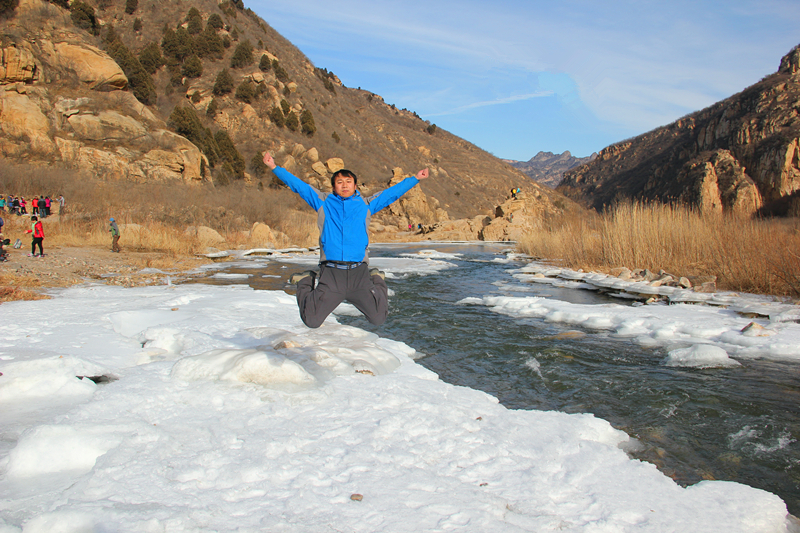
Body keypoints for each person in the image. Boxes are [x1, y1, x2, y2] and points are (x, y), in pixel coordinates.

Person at [262, 151, 430, 328]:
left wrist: (416, 178)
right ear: (334, 186)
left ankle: (377, 278)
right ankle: (305, 280)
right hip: (331, 274)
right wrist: (274, 167)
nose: (344, 185)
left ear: (355, 185)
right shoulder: (323, 202)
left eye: (348, 181)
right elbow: (299, 186)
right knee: (311, 321)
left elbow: (390, 194)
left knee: (378, 318)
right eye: (339, 182)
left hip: (359, 274)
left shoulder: (365, 204)